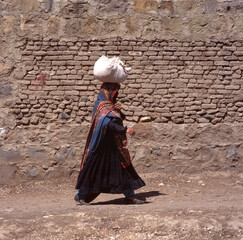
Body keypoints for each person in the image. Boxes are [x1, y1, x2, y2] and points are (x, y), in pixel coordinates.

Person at [74, 82, 145, 205]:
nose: (115, 96)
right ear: (108, 92)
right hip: (102, 147)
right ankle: (81, 194)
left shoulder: (109, 106)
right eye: (114, 93)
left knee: (123, 168)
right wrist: (125, 130)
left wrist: (119, 111)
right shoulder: (102, 106)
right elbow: (107, 124)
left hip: (114, 146)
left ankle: (129, 195)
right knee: (95, 170)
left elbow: (116, 119)